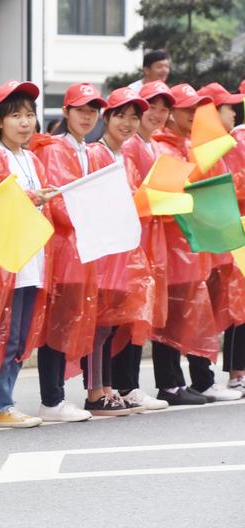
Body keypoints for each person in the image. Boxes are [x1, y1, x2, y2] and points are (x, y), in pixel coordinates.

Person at [0, 80, 53, 427]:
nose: (24, 122)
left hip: (31, 257)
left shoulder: (31, 158)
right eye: (15, 115)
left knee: (20, 334)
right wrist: (31, 198)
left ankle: (0, 398)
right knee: (5, 333)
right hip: (4, 262)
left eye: (29, 115)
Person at [150, 83, 241, 403]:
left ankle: (198, 380)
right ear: (171, 113)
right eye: (186, 109)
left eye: (195, 109)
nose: (192, 115)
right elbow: (167, 201)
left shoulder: (191, 146)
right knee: (173, 315)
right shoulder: (167, 148)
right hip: (176, 246)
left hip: (196, 245)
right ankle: (172, 384)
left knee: (193, 313)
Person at [30, 82, 107, 422]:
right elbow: (58, 202)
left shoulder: (87, 150)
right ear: (66, 112)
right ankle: (52, 398)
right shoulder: (54, 149)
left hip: (82, 249)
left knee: (68, 321)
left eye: (92, 110)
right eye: (81, 110)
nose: (87, 116)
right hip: (62, 248)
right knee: (56, 323)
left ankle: (56, 396)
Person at [84, 88, 153, 416]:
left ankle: (108, 387)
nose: (128, 123)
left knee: (112, 323)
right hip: (102, 251)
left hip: (122, 252)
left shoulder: (125, 157)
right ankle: (96, 392)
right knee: (99, 324)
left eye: (134, 117)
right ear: (107, 118)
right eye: (121, 115)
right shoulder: (96, 153)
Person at [115, 81, 176, 410]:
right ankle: (125, 384)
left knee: (140, 313)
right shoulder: (130, 147)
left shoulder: (156, 146)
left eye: (165, 108)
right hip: (133, 241)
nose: (159, 114)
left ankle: (129, 384)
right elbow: (131, 193)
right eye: (152, 107)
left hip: (151, 239)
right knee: (128, 314)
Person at [199, 82, 245, 397]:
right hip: (231, 229)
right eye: (229, 106)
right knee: (233, 301)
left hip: (230, 227)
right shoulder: (233, 141)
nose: (234, 110)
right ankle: (235, 372)